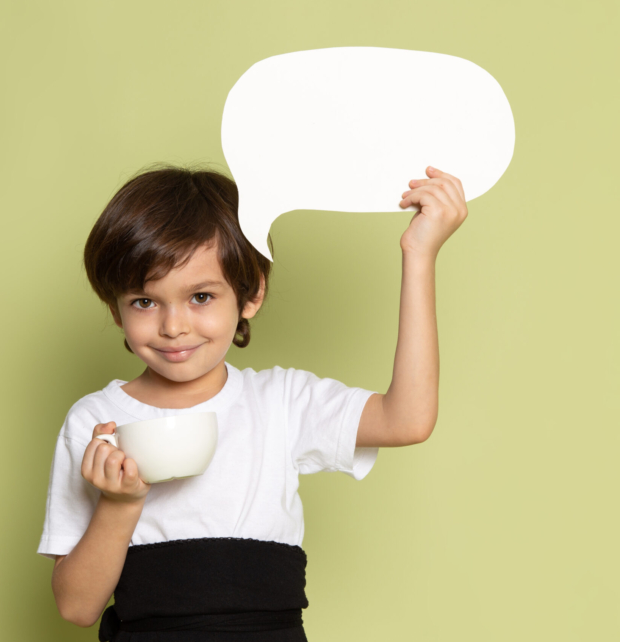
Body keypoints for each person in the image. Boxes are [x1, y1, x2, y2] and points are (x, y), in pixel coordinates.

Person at [37, 163, 468, 641]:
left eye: (200, 296)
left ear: (250, 295)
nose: (173, 326)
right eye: (144, 301)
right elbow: (77, 607)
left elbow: (407, 419)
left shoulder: (281, 402)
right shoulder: (96, 422)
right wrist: (119, 505)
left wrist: (419, 254)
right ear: (114, 306)